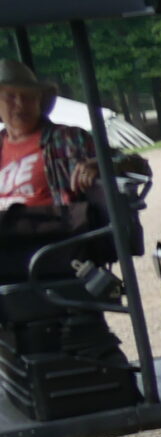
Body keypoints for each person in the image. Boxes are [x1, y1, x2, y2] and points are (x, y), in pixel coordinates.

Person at [0, 59, 104, 285]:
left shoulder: (67, 139)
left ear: (39, 100)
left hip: (50, 246)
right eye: (10, 96)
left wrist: (102, 164)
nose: (20, 104)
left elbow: (133, 164)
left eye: (28, 96)